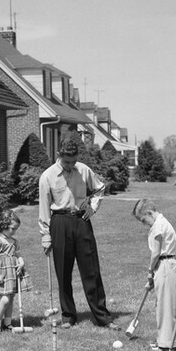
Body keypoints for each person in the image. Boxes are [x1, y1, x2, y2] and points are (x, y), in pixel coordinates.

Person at [38, 137, 119, 330]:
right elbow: (43, 208)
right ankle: (68, 316)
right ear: (59, 156)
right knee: (63, 272)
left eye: (73, 161)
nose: (70, 165)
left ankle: (102, 316)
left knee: (91, 270)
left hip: (82, 221)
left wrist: (93, 207)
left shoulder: (83, 170)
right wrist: (45, 235)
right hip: (59, 223)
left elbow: (100, 188)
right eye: (67, 162)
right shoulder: (47, 176)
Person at [132, 198, 176, 351]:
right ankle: (164, 340)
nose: (143, 223)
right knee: (163, 305)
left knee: (166, 306)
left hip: (165, 265)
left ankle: (166, 344)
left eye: (143, 219)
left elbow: (156, 253)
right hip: (167, 265)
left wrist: (150, 271)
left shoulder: (158, 225)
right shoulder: (162, 222)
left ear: (149, 213)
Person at [0, 209, 32, 333]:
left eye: (16, 229)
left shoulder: (14, 241)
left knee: (10, 298)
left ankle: (8, 323)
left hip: (13, 272)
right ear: (3, 225)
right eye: (12, 228)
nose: (14, 231)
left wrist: (21, 261)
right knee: (5, 299)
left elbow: (18, 254)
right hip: (3, 272)